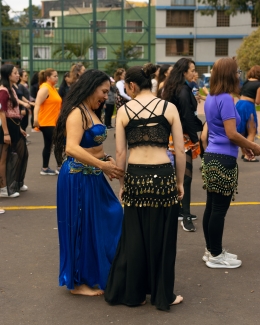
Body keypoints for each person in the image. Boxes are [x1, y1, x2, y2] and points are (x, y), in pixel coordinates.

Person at [104, 63, 186, 311]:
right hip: (163, 177)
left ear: (130, 85)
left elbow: (120, 152)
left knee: (135, 237)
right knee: (163, 237)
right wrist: (180, 182)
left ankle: (135, 294)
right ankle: (163, 294)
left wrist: (122, 182)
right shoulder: (168, 107)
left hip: (136, 178)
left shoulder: (124, 111)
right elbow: (179, 150)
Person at [52, 69, 124, 296]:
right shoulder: (76, 112)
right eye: (103, 91)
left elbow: (92, 146)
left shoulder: (90, 110)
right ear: (91, 87)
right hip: (77, 177)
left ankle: (97, 271)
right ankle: (78, 282)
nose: (106, 96)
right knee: (81, 227)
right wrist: (102, 165)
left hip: (92, 175)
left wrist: (105, 159)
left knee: (110, 216)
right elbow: (71, 148)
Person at [201, 57, 260, 269]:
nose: (238, 76)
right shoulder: (225, 98)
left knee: (212, 206)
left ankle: (211, 250)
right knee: (218, 209)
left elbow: (213, 132)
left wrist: (243, 146)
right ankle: (216, 254)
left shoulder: (211, 97)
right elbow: (232, 133)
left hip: (212, 155)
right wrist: (253, 145)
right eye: (236, 72)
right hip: (223, 159)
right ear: (228, 74)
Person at [163, 58, 203, 232]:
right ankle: (185, 216)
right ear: (184, 72)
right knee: (185, 177)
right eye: (192, 70)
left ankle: (180, 211)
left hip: (176, 136)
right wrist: (195, 138)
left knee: (180, 176)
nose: (195, 73)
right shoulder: (183, 90)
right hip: (182, 137)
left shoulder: (177, 88)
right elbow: (187, 117)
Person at [0, 64, 29, 198]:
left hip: (15, 125)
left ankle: (17, 182)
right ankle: (4, 188)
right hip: (7, 127)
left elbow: (15, 111)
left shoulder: (12, 89)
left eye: (18, 73)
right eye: (15, 73)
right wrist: (6, 133)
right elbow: (2, 112)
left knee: (23, 153)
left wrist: (20, 128)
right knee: (4, 158)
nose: (18, 75)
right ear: (8, 75)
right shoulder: (3, 90)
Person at [235, 65, 260, 162]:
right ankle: (248, 155)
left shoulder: (246, 82)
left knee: (242, 132)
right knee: (251, 132)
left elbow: (238, 92)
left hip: (239, 105)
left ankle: (244, 153)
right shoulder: (259, 84)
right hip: (249, 107)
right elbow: (257, 101)